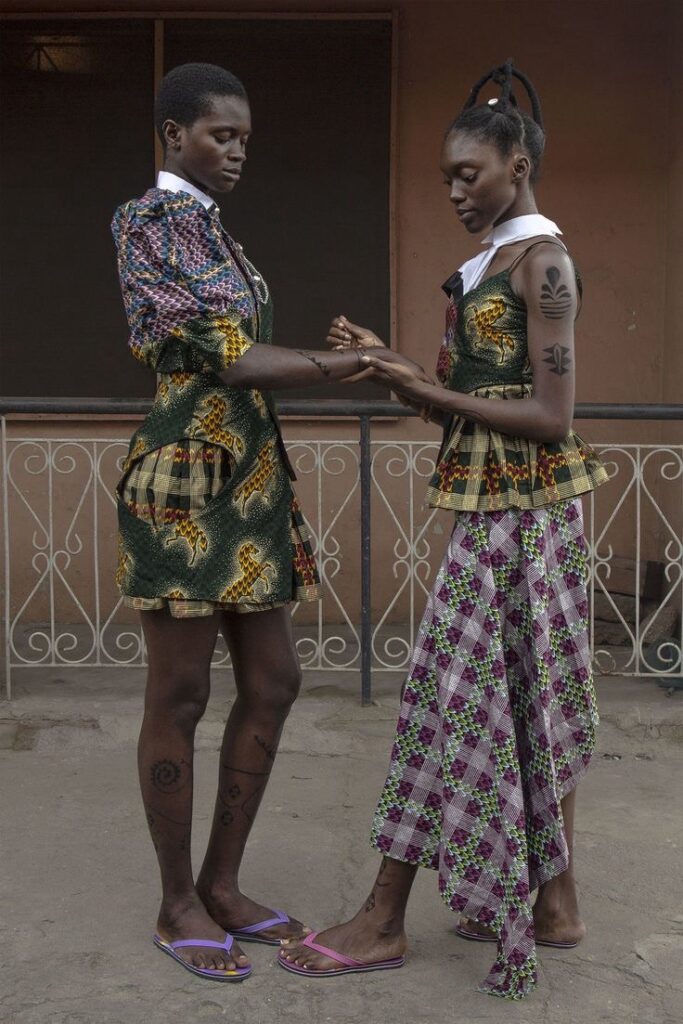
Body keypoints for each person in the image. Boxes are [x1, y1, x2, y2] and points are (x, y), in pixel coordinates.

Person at [279, 60, 607, 999]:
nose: (457, 190)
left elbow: (548, 416)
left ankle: (384, 918)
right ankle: (554, 905)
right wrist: (392, 368)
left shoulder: (543, 265)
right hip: (491, 509)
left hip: (526, 517)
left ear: (517, 163)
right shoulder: (486, 270)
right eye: (446, 178)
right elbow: (466, 404)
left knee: (445, 697)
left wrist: (423, 388)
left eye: (470, 172)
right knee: (524, 697)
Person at [111, 62, 416, 982]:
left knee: (274, 680)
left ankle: (222, 882)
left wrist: (344, 361)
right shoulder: (145, 223)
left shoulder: (215, 232)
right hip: (181, 487)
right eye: (221, 135)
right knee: (179, 696)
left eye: (245, 137)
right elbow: (227, 359)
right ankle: (176, 902)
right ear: (174, 135)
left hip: (249, 488)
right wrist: (351, 366)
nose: (239, 150)